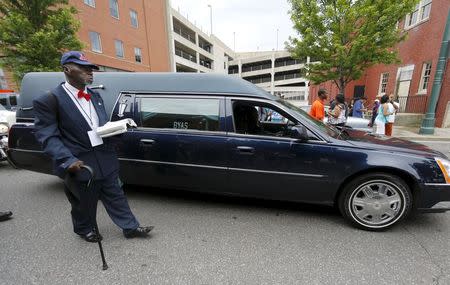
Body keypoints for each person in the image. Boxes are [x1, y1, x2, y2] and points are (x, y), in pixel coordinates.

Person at [33, 51, 153, 242]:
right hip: (79, 161)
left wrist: (116, 131)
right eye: (84, 68)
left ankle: (130, 227)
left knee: (115, 194)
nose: (90, 72)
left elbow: (99, 126)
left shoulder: (95, 95)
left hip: (105, 157)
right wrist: (67, 159)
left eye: (91, 69)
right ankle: (85, 229)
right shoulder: (50, 99)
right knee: (84, 201)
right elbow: (47, 135)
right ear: (67, 69)